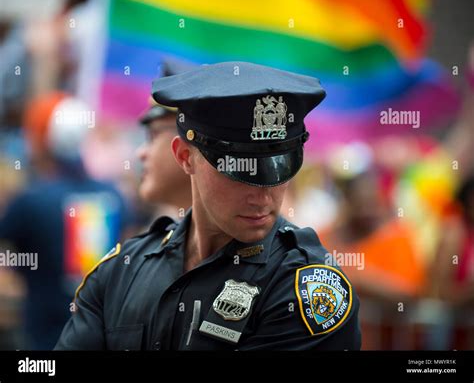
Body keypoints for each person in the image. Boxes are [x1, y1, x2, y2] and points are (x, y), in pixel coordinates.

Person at [55, 61, 361, 350]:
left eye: (278, 169)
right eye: (239, 172)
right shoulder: (121, 271)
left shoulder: (306, 288)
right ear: (186, 157)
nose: (263, 196)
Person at [0, 91, 129, 349]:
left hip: (42, 339)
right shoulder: (115, 196)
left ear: (42, 140)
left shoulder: (31, 200)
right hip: (101, 334)